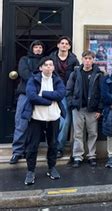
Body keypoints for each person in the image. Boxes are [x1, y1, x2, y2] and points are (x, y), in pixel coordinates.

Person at [22, 57, 66, 185]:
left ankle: (51, 168)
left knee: (53, 144)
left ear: (53, 67)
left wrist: (44, 94)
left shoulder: (57, 80)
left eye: (51, 65)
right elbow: (31, 96)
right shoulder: (33, 79)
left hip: (53, 117)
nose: (48, 67)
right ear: (41, 68)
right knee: (32, 146)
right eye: (45, 65)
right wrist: (48, 102)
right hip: (36, 117)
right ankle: (30, 171)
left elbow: (60, 94)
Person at [10, 40, 45, 164]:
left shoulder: (45, 60)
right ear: (32, 48)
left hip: (40, 95)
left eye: (40, 47)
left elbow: (47, 74)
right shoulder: (24, 59)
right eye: (36, 47)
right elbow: (24, 74)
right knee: (21, 123)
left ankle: (29, 150)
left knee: (36, 125)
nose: (38, 49)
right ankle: (17, 152)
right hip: (25, 95)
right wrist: (38, 77)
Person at [66, 50, 103, 168]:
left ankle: (92, 156)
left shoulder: (99, 74)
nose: (87, 61)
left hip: (92, 109)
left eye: (90, 59)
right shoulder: (75, 73)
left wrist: (99, 109)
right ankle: (78, 156)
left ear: (93, 60)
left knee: (92, 133)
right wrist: (71, 103)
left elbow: (102, 93)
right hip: (78, 108)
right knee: (78, 134)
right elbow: (68, 90)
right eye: (85, 58)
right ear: (82, 59)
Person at [51, 36, 79, 159]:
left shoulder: (74, 60)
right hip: (53, 92)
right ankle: (51, 145)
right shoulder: (51, 58)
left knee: (65, 120)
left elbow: (77, 78)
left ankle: (59, 148)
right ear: (58, 45)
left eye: (66, 43)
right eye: (62, 43)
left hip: (67, 93)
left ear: (69, 46)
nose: (64, 45)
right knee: (52, 120)